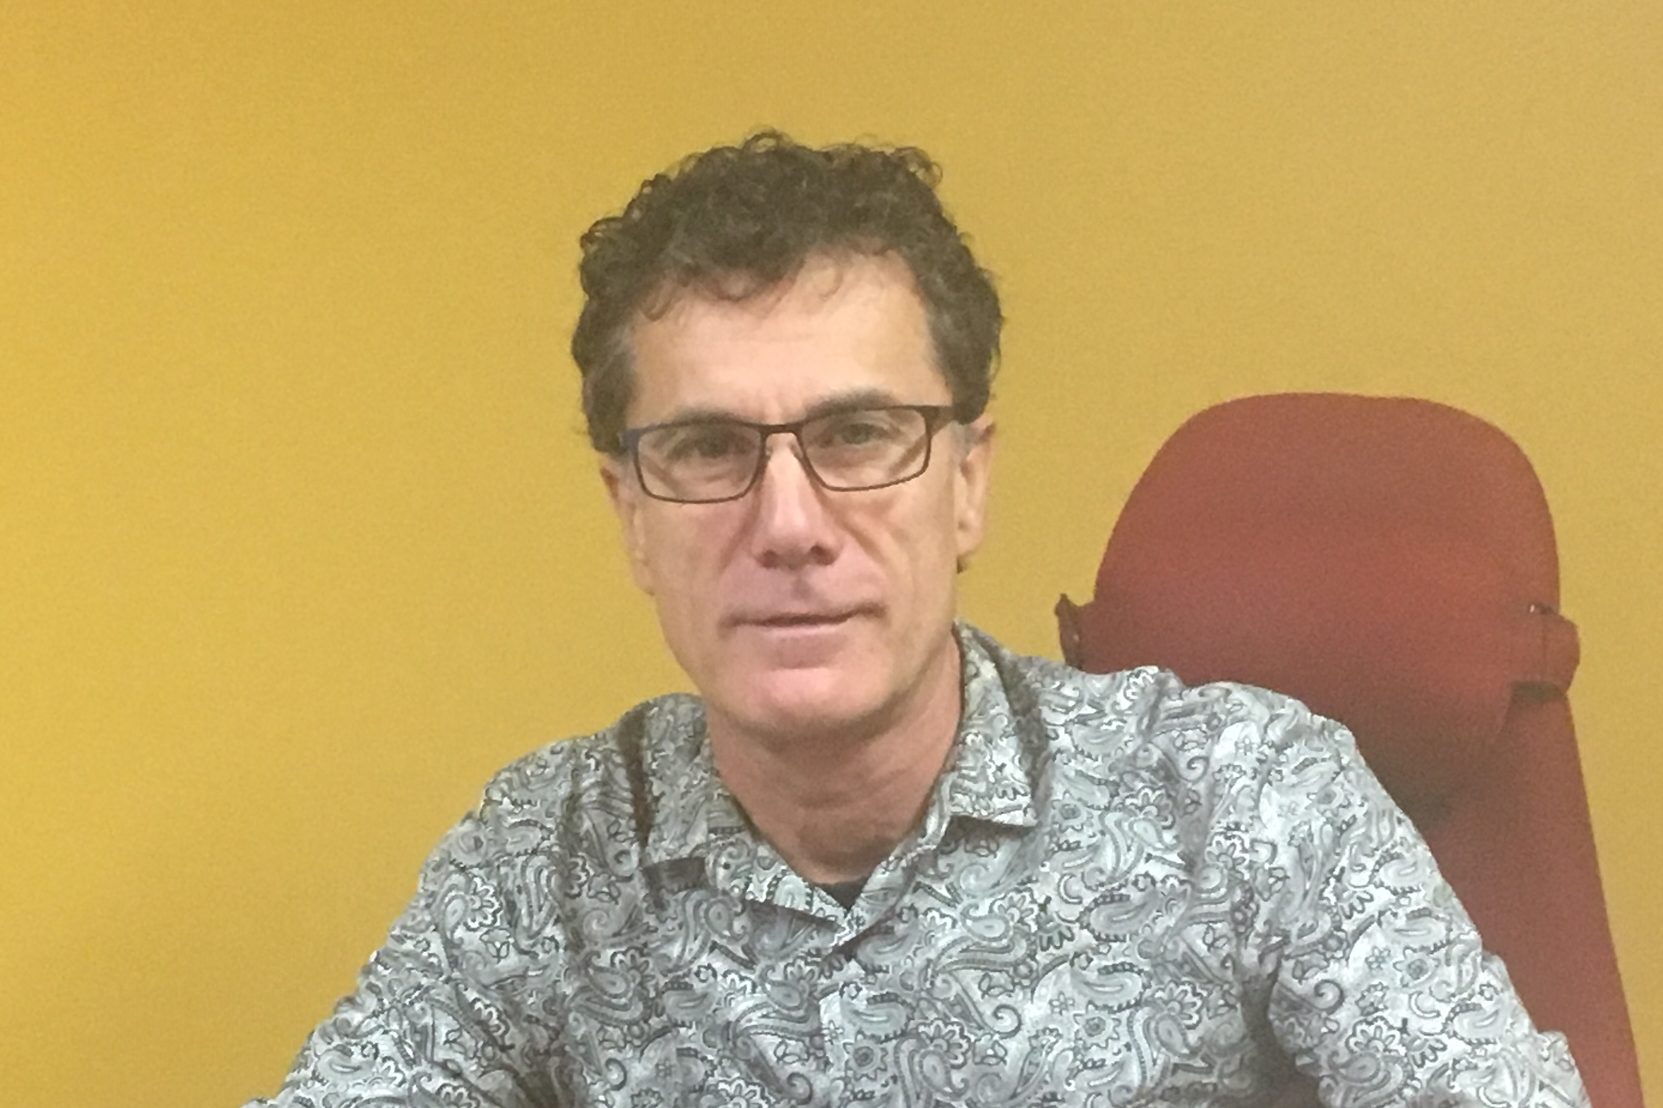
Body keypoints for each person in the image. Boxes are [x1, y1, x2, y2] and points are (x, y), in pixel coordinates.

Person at [250, 132, 1588, 1107]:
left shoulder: (1239, 792)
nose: (788, 523)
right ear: (632, 516)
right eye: (708, 450)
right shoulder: (545, 853)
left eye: (859, 434)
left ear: (968, 484)